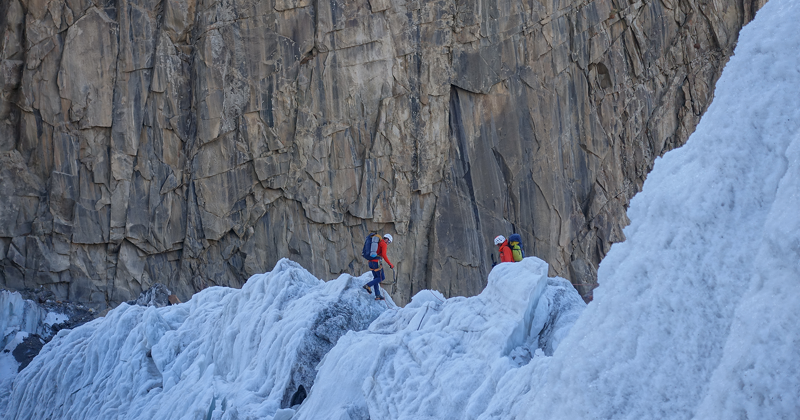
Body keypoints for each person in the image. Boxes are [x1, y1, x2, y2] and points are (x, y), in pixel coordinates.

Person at [363, 234, 394, 301]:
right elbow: (384, 255)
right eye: (389, 242)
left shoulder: (378, 243)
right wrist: (390, 264)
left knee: (376, 278)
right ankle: (368, 285)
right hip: (376, 262)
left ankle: (378, 295)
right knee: (381, 277)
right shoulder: (383, 244)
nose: (388, 243)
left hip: (370, 262)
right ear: (387, 239)